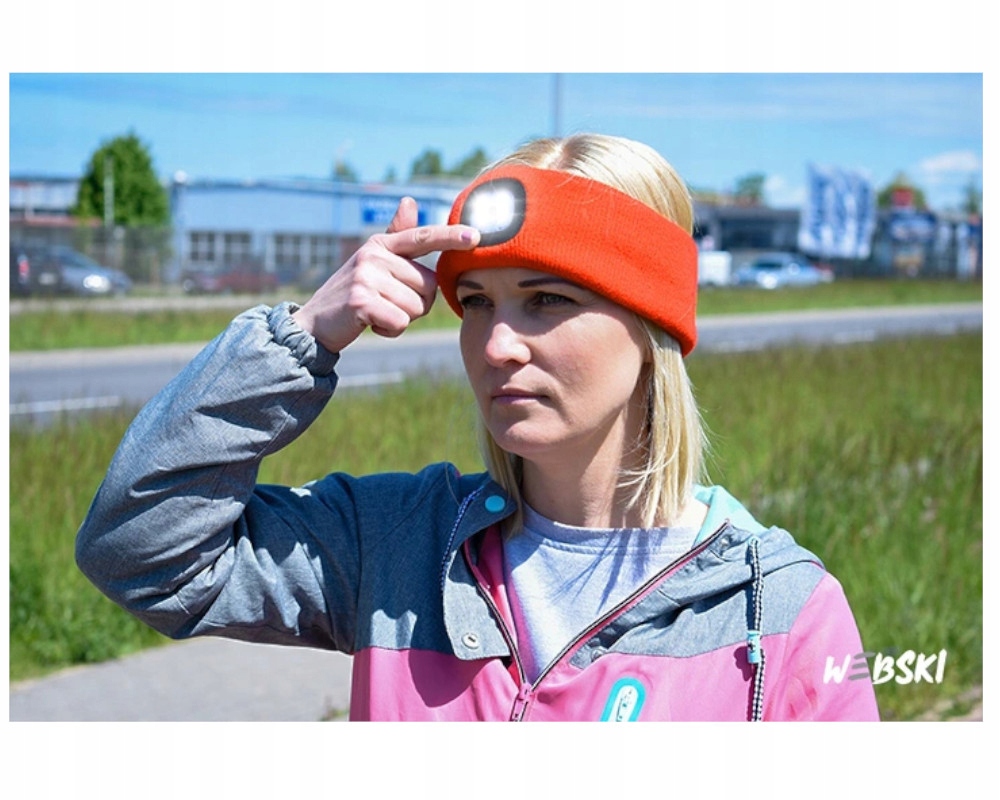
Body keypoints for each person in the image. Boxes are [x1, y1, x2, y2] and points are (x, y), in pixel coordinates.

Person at [76, 133, 879, 721]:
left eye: (547, 300)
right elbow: (139, 551)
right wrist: (302, 337)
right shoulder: (396, 546)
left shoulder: (776, 610)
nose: (496, 345)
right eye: (478, 303)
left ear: (652, 328)